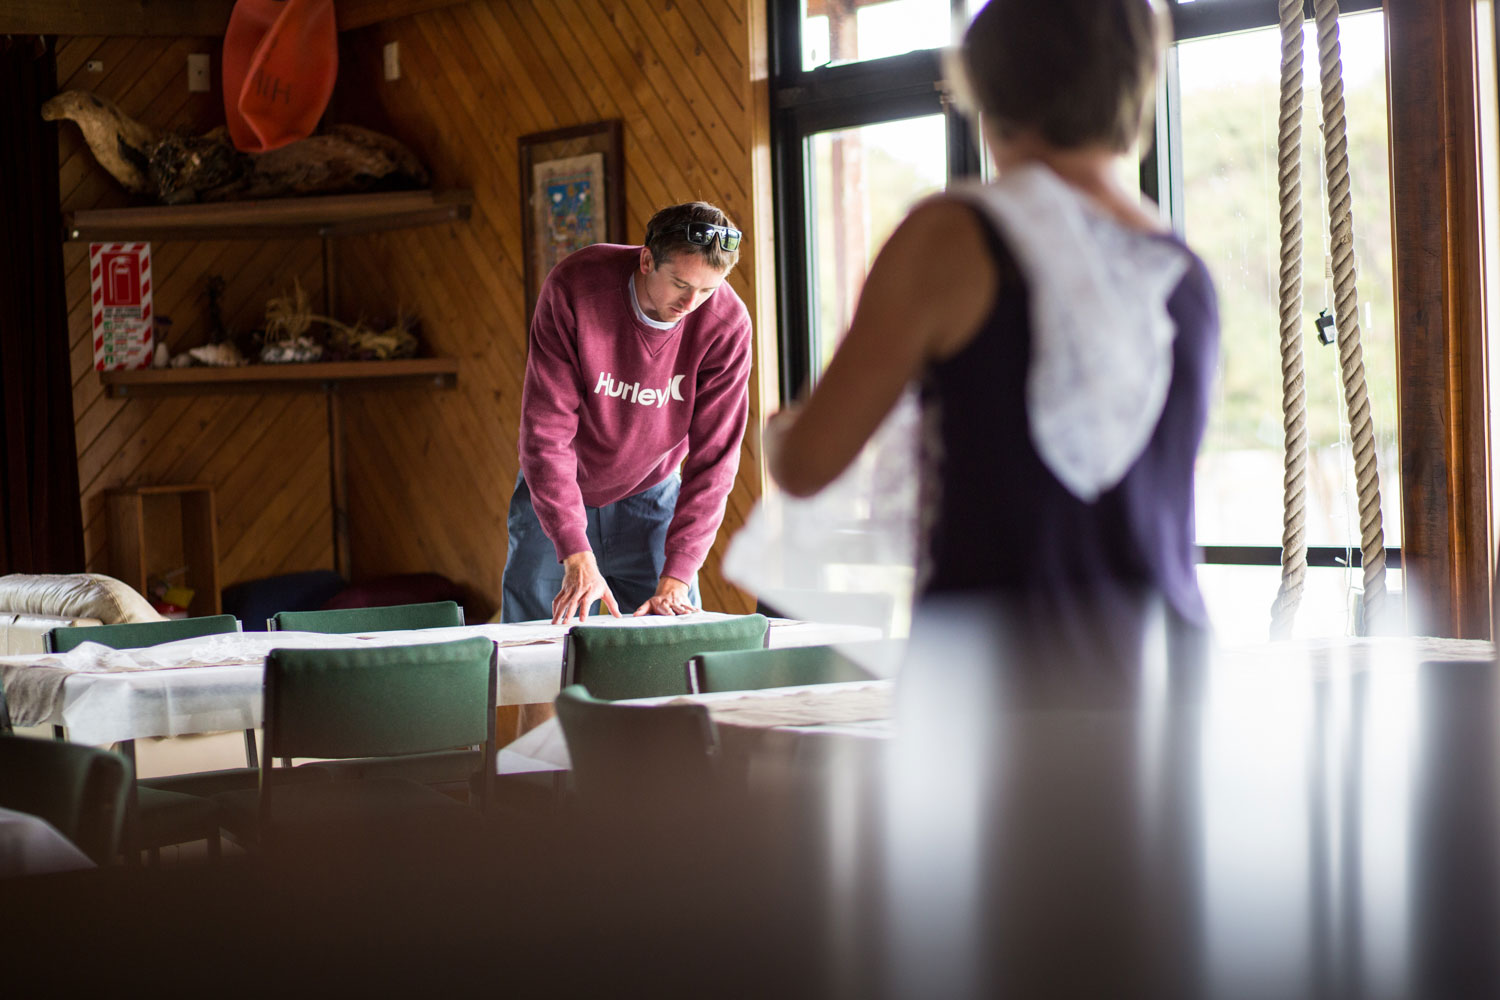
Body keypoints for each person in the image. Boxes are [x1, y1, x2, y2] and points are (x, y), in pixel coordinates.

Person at [764, 0, 1218, 660]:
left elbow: (807, 465)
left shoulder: (953, 236)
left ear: (986, 81)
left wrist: (778, 432)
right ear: (1136, 79)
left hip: (1002, 685)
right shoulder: (1184, 272)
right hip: (1166, 670)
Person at [502, 202, 753, 624]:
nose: (691, 303)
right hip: (559, 493)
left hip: (652, 493)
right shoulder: (577, 287)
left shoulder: (726, 325)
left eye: (708, 290)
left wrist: (679, 572)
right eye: (680, 284)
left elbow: (715, 462)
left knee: (671, 649)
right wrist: (573, 549)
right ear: (647, 259)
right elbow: (546, 434)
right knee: (533, 650)